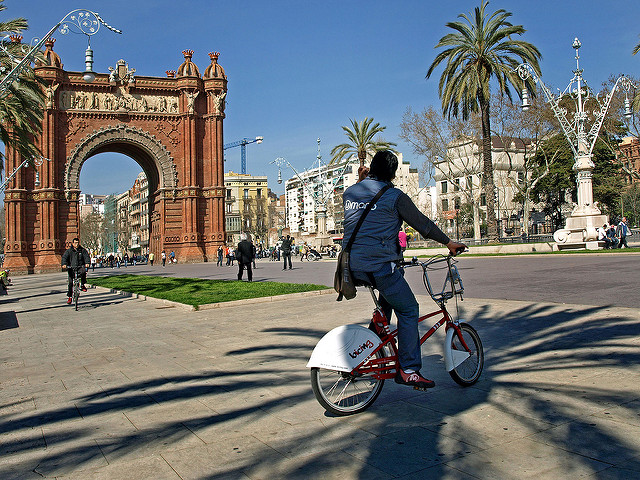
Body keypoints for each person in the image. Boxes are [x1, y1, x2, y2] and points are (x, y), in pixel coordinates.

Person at [342, 150, 466, 390]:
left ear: (371, 167)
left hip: (352, 266)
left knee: (388, 298)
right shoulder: (394, 196)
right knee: (409, 310)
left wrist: (361, 180)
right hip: (379, 266)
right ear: (393, 173)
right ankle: (409, 370)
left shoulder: (350, 191)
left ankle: (372, 347)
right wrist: (448, 243)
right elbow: (423, 224)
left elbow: (361, 204)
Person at [61, 237, 91, 305]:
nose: (76, 244)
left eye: (77, 243)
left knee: (83, 271)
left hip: (79, 267)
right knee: (70, 283)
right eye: (75, 243)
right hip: (71, 268)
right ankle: (70, 297)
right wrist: (64, 264)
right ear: (72, 243)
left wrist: (87, 263)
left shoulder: (82, 250)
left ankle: (82, 284)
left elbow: (86, 257)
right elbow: (64, 257)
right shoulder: (69, 251)